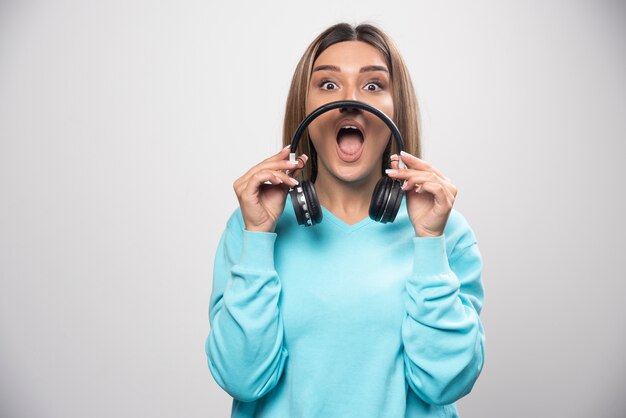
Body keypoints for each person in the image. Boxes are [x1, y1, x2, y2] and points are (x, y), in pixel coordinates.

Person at [205, 22, 485, 418]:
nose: (350, 101)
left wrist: (428, 243)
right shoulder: (252, 226)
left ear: (394, 109)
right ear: (306, 110)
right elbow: (241, 378)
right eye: (329, 85)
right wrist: (258, 237)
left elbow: (447, 382)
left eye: (373, 86)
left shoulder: (444, 230)